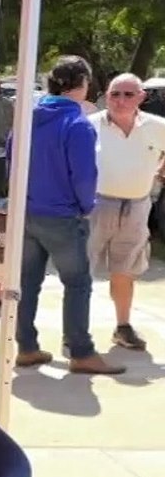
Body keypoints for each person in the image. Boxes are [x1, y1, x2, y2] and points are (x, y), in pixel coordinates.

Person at [10, 56, 124, 374]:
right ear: (83, 83)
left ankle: (26, 346)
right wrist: (86, 207)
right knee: (77, 283)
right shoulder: (77, 125)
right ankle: (81, 351)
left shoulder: (26, 120)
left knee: (27, 282)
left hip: (26, 212)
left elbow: (10, 162)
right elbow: (84, 176)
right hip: (62, 216)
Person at [88, 73, 165, 351]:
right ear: (106, 96)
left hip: (136, 206)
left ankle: (123, 327)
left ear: (141, 97)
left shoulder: (157, 127)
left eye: (128, 94)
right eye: (114, 94)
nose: (120, 100)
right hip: (95, 206)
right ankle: (75, 332)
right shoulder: (89, 126)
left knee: (125, 271)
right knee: (80, 272)